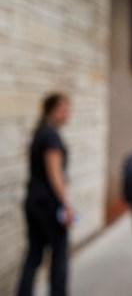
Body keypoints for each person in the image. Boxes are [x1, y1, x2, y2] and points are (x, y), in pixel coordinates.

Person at [16, 93, 73, 296]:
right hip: (49, 204)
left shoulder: (40, 132)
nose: (68, 113)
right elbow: (55, 174)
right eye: (64, 108)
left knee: (34, 254)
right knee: (59, 255)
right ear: (53, 110)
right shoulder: (51, 136)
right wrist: (65, 204)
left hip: (34, 201)